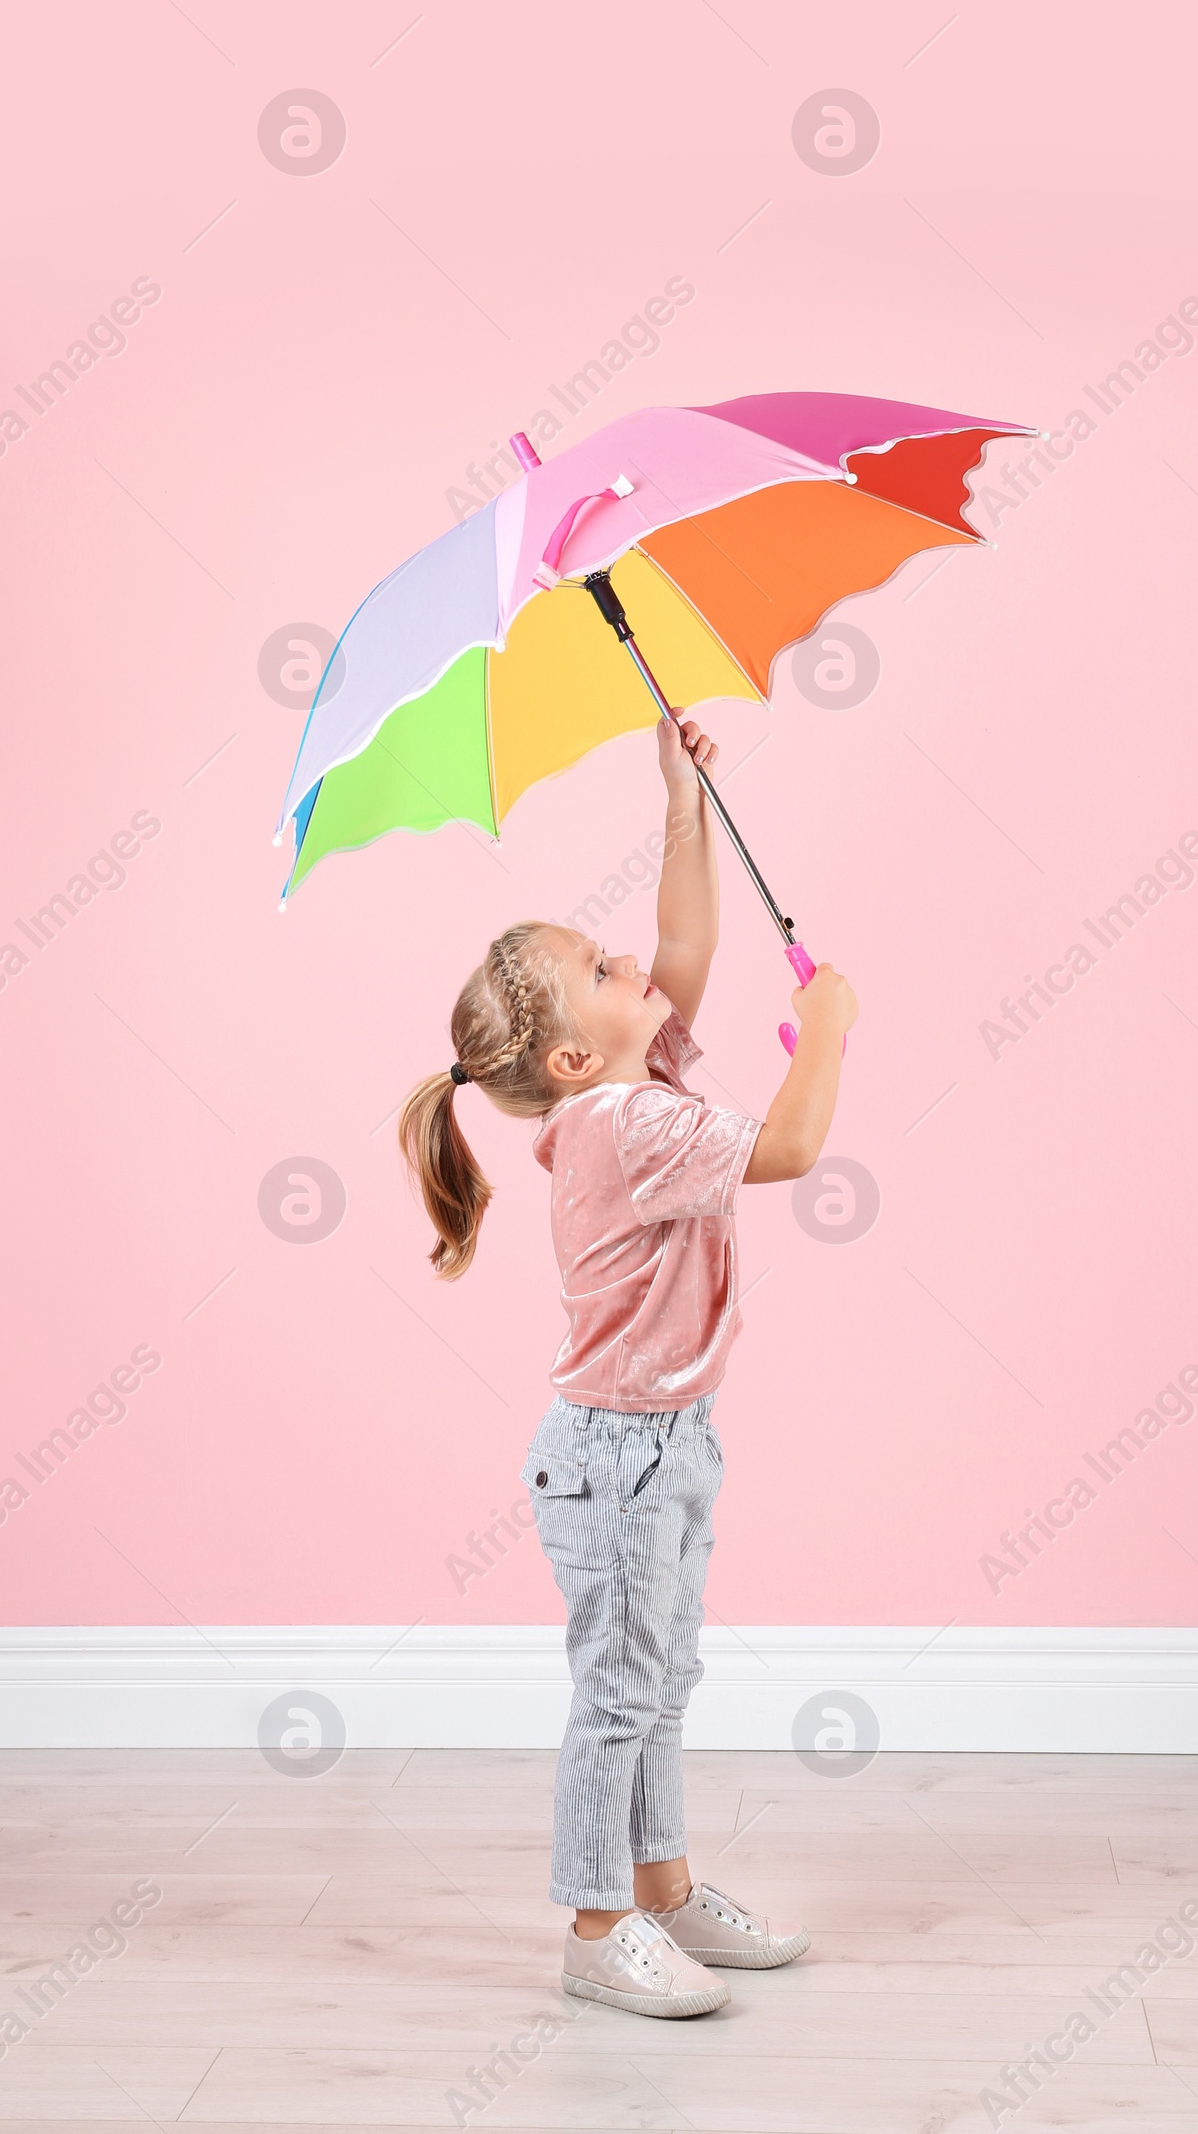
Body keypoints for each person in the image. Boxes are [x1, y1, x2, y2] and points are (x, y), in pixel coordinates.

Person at [398, 715, 857, 2018]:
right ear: (568, 1060)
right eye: (601, 968)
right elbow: (789, 1148)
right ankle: (598, 1928)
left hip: (670, 1436)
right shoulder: (628, 1126)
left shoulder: (617, 1089)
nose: (633, 963)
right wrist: (829, 1020)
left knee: (663, 1677)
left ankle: (663, 1890)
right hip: (616, 1455)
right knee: (619, 1694)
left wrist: (680, 800)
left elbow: (693, 948)